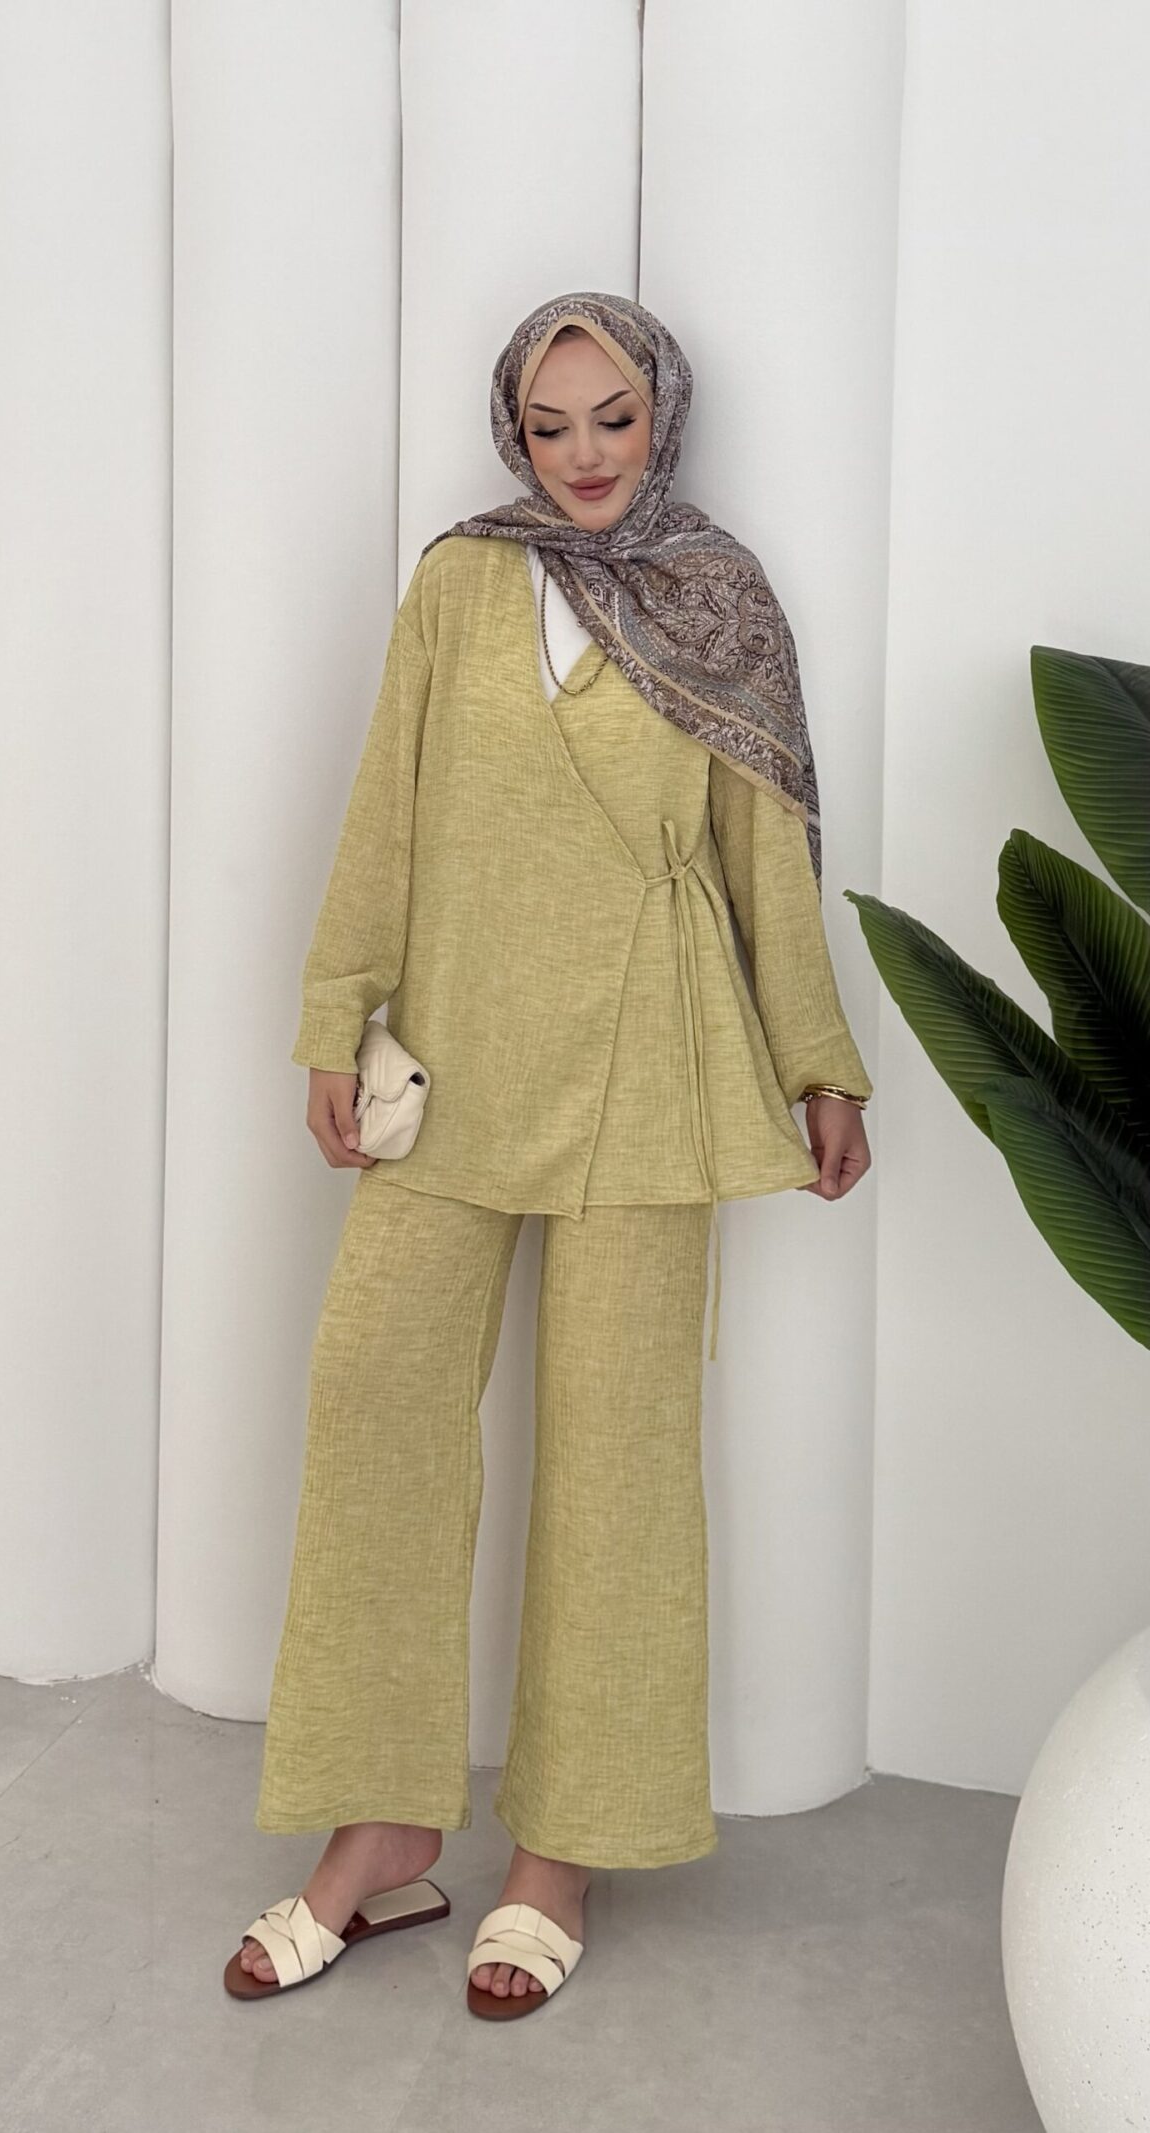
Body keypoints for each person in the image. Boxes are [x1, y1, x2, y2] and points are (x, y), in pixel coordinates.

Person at [226, 292, 873, 2018]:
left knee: (617, 1457)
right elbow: (385, 808)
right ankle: (381, 1830)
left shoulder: (718, 598)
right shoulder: (460, 580)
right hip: (453, 1058)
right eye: (549, 423)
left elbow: (766, 856)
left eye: (614, 417)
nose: (584, 453)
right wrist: (334, 1015)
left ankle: (561, 1852)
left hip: (653, 1061)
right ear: (512, 431)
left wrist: (819, 1063)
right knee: (373, 1399)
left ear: (664, 415)